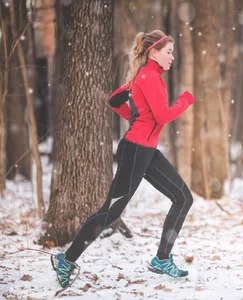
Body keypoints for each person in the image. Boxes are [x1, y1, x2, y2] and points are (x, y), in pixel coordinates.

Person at [53, 30, 195, 288]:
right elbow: (162, 116)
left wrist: (135, 116)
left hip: (147, 151)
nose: (172, 57)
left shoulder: (146, 77)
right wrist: (185, 101)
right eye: (169, 52)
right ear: (154, 52)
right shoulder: (149, 77)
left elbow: (115, 99)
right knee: (110, 211)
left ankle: (162, 259)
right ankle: (66, 259)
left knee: (183, 197)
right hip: (135, 152)